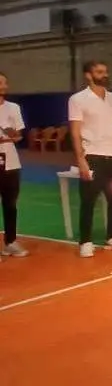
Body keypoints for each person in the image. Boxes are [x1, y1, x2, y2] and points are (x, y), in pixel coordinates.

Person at [68, 61, 112, 257]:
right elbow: (75, 132)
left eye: (105, 71)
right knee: (89, 200)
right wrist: (81, 160)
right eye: (99, 72)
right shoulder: (78, 99)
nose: (104, 75)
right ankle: (85, 241)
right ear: (88, 75)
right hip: (92, 155)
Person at [0, 71, 28, 258]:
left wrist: (12, 135)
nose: (4, 86)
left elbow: (19, 136)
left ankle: (10, 242)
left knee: (10, 204)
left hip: (10, 162)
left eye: (5, 83)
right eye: (0, 83)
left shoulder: (13, 108)